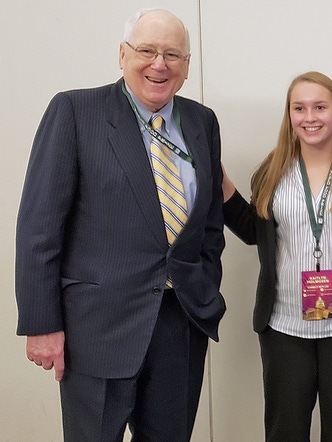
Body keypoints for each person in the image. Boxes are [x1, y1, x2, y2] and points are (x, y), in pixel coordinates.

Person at [15, 8, 225, 441]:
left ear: (187, 66)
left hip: (180, 324)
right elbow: (39, 228)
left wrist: (205, 283)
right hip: (97, 330)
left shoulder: (202, 121)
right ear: (122, 54)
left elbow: (209, 225)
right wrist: (41, 323)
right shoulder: (76, 110)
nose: (158, 64)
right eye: (147, 50)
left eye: (172, 54)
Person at [222, 71, 332, 441]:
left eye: (320, 107)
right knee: (285, 431)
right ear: (290, 114)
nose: (309, 117)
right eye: (299, 108)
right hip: (283, 328)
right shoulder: (271, 171)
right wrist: (221, 184)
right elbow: (253, 232)